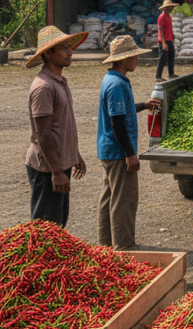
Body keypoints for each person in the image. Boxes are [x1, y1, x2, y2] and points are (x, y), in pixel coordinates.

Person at [96, 36, 161, 250]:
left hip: (109, 150)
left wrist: (143, 105)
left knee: (109, 197)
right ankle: (123, 246)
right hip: (118, 152)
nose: (137, 60)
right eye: (135, 56)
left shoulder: (113, 79)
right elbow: (118, 123)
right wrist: (130, 154)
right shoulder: (116, 84)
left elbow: (121, 109)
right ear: (125, 59)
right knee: (124, 200)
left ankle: (106, 245)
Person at [25, 26, 89, 228]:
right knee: (45, 230)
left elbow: (61, 126)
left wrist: (74, 154)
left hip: (59, 164)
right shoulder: (44, 87)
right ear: (48, 53)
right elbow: (43, 133)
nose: (70, 52)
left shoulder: (59, 81)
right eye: (63, 48)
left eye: (70, 47)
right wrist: (56, 172)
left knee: (58, 225)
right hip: (47, 168)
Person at [155, 0, 178, 82]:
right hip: (164, 41)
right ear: (165, 8)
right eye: (168, 7)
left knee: (171, 56)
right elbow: (160, 30)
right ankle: (158, 76)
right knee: (162, 58)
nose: (170, 9)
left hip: (169, 39)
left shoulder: (168, 17)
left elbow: (169, 29)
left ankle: (171, 73)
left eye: (171, 7)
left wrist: (172, 36)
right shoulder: (161, 17)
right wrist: (163, 43)